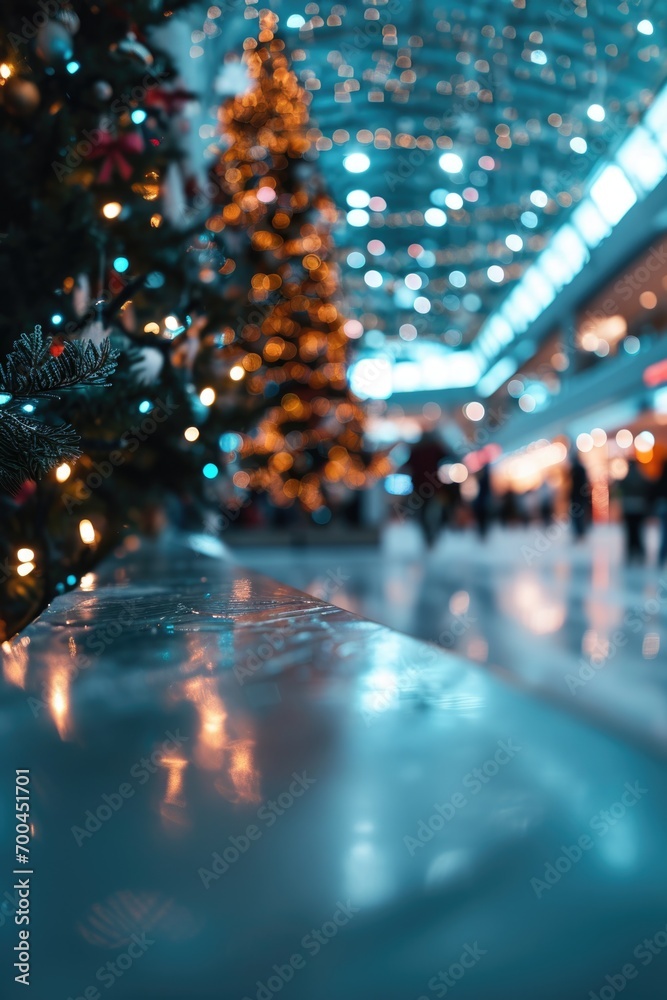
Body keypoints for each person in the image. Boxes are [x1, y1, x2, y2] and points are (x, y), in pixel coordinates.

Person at [406, 430, 447, 547]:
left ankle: (428, 536)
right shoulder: (435, 449)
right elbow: (447, 456)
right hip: (433, 487)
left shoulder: (416, 450)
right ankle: (433, 535)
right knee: (436, 512)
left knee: (423, 513)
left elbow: (407, 466)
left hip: (420, 488)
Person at [619, 459, 649, 564]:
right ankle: (639, 552)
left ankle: (631, 552)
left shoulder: (627, 478)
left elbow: (620, 487)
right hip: (639, 507)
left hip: (629, 507)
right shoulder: (641, 476)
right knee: (638, 531)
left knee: (630, 531)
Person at [569, 454, 591, 539]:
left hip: (577, 497)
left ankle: (579, 532)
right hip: (580, 497)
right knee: (579, 515)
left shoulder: (575, 470)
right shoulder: (580, 469)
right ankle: (580, 532)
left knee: (577, 516)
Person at [652, 461, 667, 567]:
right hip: (663, 507)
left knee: (664, 533)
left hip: (663, 507)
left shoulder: (661, 479)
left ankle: (661, 558)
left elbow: (655, 492)